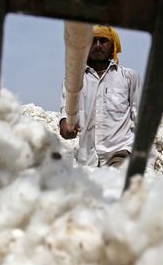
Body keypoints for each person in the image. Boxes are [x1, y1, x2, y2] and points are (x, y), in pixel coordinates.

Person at [59, 25, 140, 167]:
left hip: (120, 153)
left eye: (103, 41)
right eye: (93, 41)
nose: (97, 46)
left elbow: (138, 117)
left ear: (112, 46)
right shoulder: (73, 80)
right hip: (88, 158)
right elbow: (65, 111)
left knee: (117, 186)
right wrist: (65, 125)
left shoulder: (128, 77)